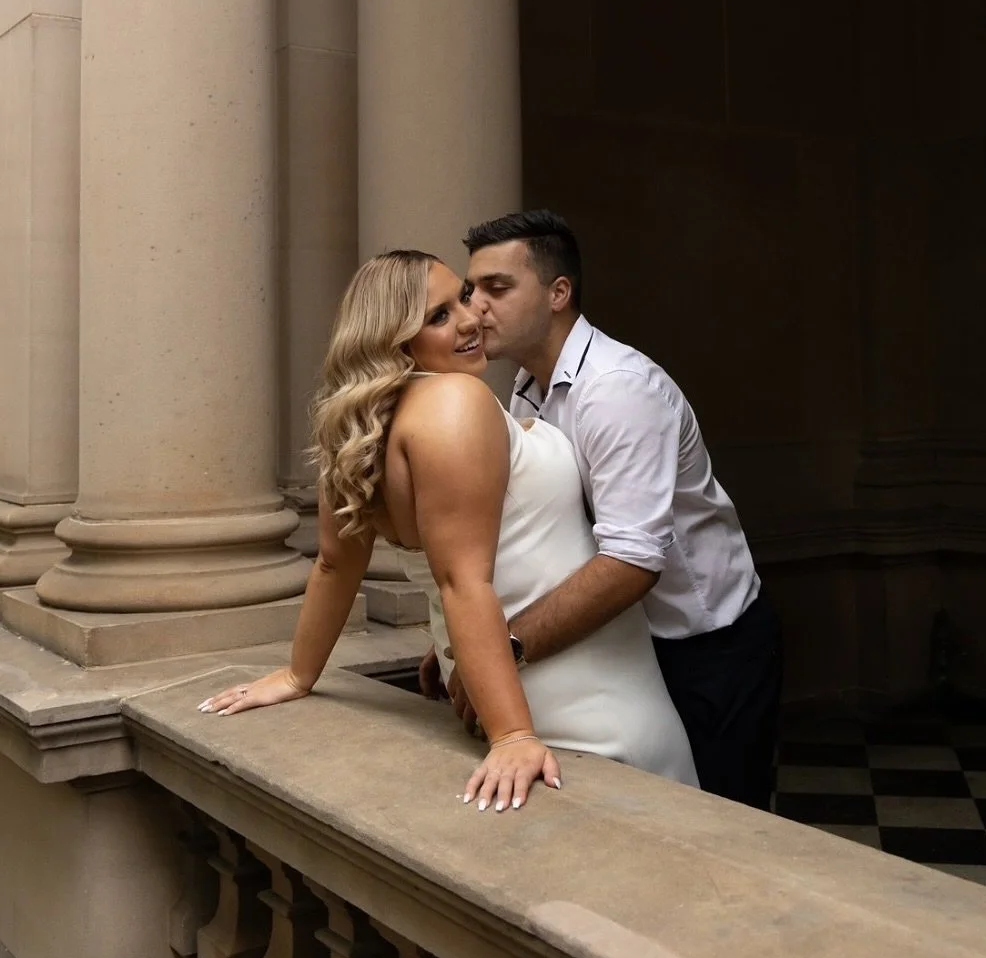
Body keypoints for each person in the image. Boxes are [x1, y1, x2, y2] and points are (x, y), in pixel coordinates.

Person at [199, 250, 698, 812]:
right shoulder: (455, 402)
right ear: (394, 341)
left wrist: (299, 673)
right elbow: (463, 580)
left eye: (461, 297)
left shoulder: (361, 429)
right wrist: (514, 736)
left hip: (506, 684)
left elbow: (336, 565)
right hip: (584, 696)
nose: (468, 318)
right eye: (437, 316)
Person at [422, 211, 782, 811]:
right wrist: (459, 636)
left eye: (497, 288)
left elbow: (631, 563)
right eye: (469, 290)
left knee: (724, 831)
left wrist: (498, 645)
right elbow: (540, 533)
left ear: (558, 293)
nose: (475, 308)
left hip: (707, 647)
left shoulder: (618, 390)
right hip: (626, 644)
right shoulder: (525, 387)